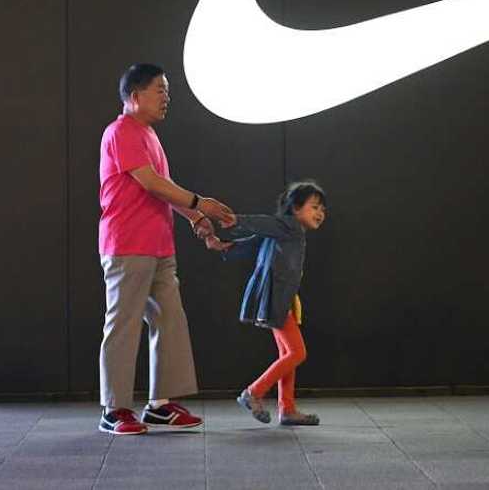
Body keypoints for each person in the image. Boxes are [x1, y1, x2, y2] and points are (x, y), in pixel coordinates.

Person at [97, 63, 236, 435]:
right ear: (135, 95)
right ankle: (114, 409)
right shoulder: (122, 131)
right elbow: (150, 182)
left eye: (167, 90)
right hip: (127, 244)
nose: (166, 97)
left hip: (159, 245)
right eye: (159, 89)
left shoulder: (149, 135)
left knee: (169, 320)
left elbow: (164, 185)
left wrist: (196, 219)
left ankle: (160, 405)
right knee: (124, 325)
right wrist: (199, 202)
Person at [210, 180, 327, 426]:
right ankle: (253, 392)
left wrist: (225, 246)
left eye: (322, 209)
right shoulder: (290, 226)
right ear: (295, 209)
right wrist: (236, 220)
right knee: (297, 353)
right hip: (277, 298)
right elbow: (264, 223)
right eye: (314, 207)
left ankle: (288, 409)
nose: (320, 213)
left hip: (282, 299)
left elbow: (255, 241)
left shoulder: (284, 233)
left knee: (287, 354)